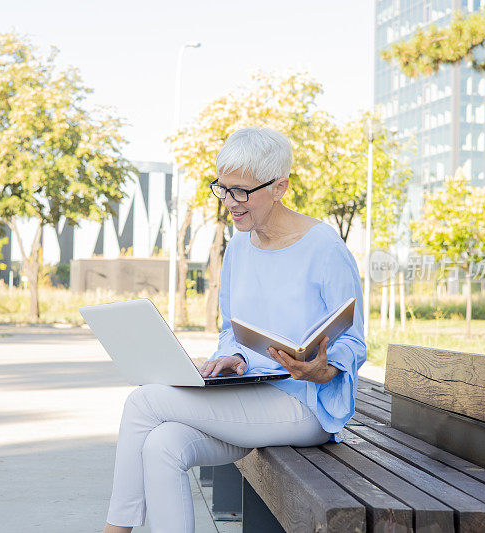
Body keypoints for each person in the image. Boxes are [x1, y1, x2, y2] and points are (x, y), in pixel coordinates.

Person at [103, 127, 366, 533]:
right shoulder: (240, 246)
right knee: (162, 445)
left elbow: (353, 340)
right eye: (222, 189)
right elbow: (232, 328)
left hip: (306, 404)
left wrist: (322, 370)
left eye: (241, 191)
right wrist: (235, 356)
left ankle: (114, 531)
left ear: (280, 187)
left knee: (144, 403)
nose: (229, 203)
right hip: (250, 394)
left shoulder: (324, 247)